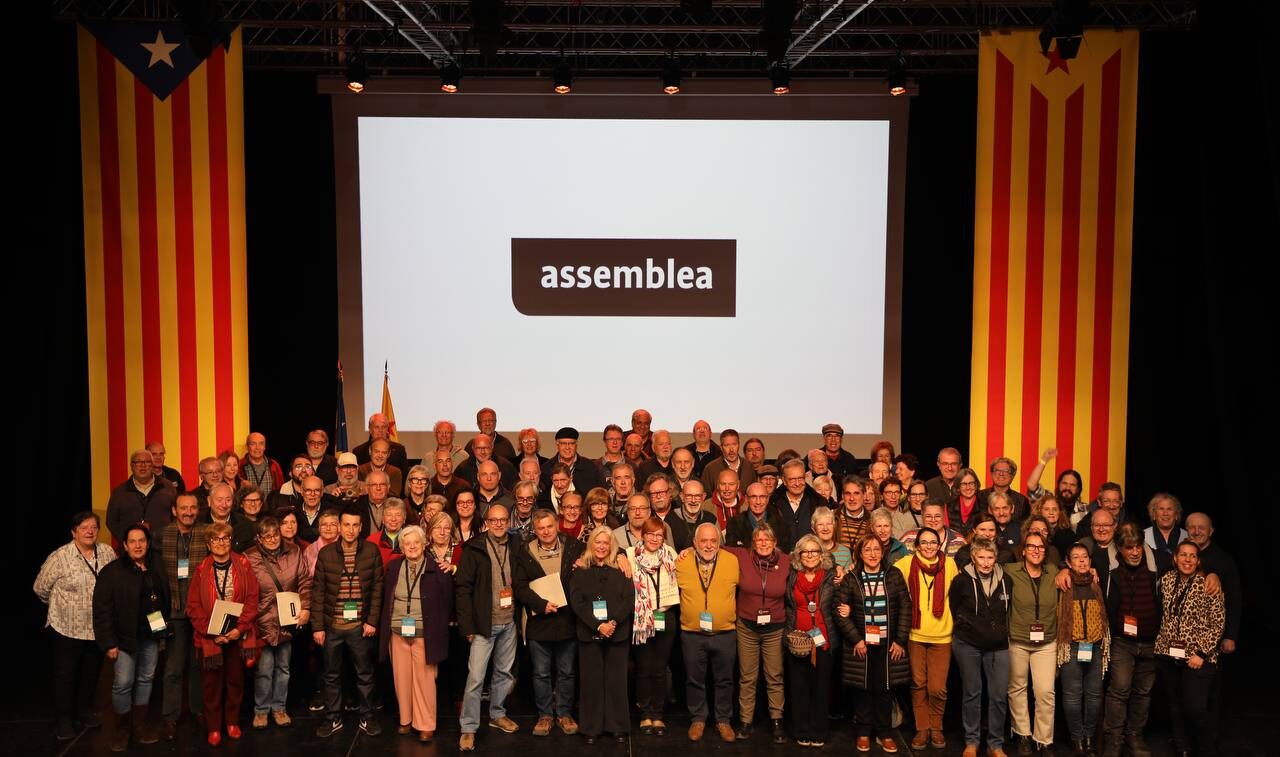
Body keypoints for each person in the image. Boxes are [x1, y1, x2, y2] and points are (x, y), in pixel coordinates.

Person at [35, 512, 117, 740]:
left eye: (93, 527)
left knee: (91, 674)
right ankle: (64, 720)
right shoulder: (60, 556)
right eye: (83, 527)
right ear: (74, 532)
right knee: (66, 675)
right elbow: (40, 588)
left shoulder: (107, 553)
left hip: (96, 628)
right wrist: (63, 607)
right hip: (66, 628)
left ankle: (83, 712)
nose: (89, 531)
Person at [311, 505, 385, 739]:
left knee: (365, 674)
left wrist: (372, 621)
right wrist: (318, 627)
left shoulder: (371, 551)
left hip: (360, 626)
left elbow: (378, 589)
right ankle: (333, 718)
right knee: (331, 675)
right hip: (332, 625)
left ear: (361, 527)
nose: (350, 530)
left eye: (355, 525)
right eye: (346, 525)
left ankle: (367, 716)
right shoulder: (326, 554)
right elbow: (318, 592)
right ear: (339, 527)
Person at [93, 523, 168, 751]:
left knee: (146, 679)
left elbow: (161, 601)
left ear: (148, 543)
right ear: (124, 545)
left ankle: (139, 726)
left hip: (150, 637)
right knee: (123, 683)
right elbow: (102, 611)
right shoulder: (112, 572)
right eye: (132, 541)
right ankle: (123, 730)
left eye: (141, 540)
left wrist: (162, 632)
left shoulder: (155, 568)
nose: (137, 545)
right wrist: (109, 643)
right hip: (123, 640)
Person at [186, 521, 262, 747]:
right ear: (208, 544)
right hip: (211, 638)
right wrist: (211, 632)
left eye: (225, 538)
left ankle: (232, 722)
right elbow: (193, 607)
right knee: (211, 685)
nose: (221, 543)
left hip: (238, 636)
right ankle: (213, 727)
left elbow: (252, 599)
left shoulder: (243, 565)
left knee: (235, 682)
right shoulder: (201, 570)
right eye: (216, 539)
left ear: (231, 541)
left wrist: (239, 629)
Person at [512, 509, 586, 737]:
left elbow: (602, 551)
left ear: (557, 525)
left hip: (568, 620)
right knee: (541, 673)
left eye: (549, 526)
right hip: (538, 621)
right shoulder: (524, 551)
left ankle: (564, 714)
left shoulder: (574, 547)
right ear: (534, 530)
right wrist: (541, 604)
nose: (546, 531)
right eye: (541, 528)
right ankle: (545, 715)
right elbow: (520, 586)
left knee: (567, 672)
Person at [834, 534, 911, 754]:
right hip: (861, 644)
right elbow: (839, 611)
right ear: (859, 553)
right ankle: (863, 732)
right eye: (867, 550)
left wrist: (900, 640)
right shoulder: (851, 578)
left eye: (876, 549)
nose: (872, 554)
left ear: (883, 552)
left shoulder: (894, 575)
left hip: (888, 645)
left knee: (884, 689)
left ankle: (884, 733)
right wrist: (856, 639)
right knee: (863, 689)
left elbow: (906, 608)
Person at [379, 524, 454, 743]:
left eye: (416, 543)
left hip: (425, 633)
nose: (412, 547)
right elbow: (386, 597)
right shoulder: (393, 567)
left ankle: (426, 724)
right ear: (402, 547)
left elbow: (446, 604)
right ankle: (406, 719)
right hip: (397, 630)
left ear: (424, 545)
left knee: (425, 680)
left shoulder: (438, 570)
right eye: (407, 543)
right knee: (401, 678)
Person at [455, 504, 521, 750]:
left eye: (503, 520)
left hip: (509, 622)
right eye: (494, 520)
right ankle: (468, 727)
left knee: (504, 673)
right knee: (475, 678)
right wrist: (467, 627)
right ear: (486, 523)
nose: (499, 524)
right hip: (483, 625)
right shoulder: (474, 549)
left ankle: (497, 713)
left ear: (508, 522)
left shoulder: (516, 545)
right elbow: (462, 589)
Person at [1155, 540, 1225, 757]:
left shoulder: (1208, 584)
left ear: (1198, 560)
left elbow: (1218, 623)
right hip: (1168, 654)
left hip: (1198, 657)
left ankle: (1206, 750)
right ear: (1175, 558)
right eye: (1183, 555)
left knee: (1195, 708)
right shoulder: (1166, 580)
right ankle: (1182, 747)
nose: (1188, 559)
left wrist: (1201, 653)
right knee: (1175, 705)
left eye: (1193, 556)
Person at [675, 523, 741, 743]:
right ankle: (698, 718)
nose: (709, 545)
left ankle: (723, 720)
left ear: (719, 542)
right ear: (694, 542)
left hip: (725, 633)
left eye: (713, 540)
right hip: (692, 633)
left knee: (725, 680)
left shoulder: (732, 561)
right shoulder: (681, 562)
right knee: (694, 679)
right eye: (703, 540)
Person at [245, 516, 313, 730]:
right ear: (259, 538)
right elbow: (245, 590)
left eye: (275, 534)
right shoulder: (249, 557)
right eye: (267, 536)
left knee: (284, 668)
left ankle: (279, 708)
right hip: (262, 620)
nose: (272, 539)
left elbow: (304, 581)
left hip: (287, 619)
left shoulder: (294, 551)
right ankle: (261, 710)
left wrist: (306, 607)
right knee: (264, 669)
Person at [723, 524, 788, 744]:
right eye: (759, 539)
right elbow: (712, 546)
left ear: (775, 542)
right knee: (747, 677)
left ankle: (777, 720)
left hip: (775, 628)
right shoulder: (742, 556)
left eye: (767, 539)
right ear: (753, 543)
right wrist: (688, 550)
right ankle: (745, 721)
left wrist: (838, 568)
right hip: (747, 627)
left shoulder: (786, 561)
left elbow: (814, 558)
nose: (763, 543)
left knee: (774, 676)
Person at [895, 526, 959, 750]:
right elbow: (884, 575)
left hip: (943, 635)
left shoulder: (950, 564)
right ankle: (922, 728)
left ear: (939, 545)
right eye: (924, 542)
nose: (929, 546)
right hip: (915, 634)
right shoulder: (905, 564)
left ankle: (936, 727)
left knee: (937, 687)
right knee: (918, 684)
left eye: (933, 542)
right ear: (917, 545)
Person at [569, 528, 635, 743]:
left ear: (612, 546)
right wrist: (598, 625)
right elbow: (577, 602)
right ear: (591, 544)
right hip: (589, 633)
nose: (601, 546)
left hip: (618, 632)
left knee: (616, 681)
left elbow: (628, 599)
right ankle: (591, 728)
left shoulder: (622, 569)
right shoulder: (580, 570)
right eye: (597, 542)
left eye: (606, 543)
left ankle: (617, 726)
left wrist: (613, 622)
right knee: (591, 682)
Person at [1101, 524, 1161, 757]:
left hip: (1151, 641)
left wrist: (1211, 573)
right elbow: (1075, 557)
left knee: (1143, 692)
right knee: (1119, 690)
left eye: (1138, 547)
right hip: (1122, 641)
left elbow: (1190, 562)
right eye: (1129, 548)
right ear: (1119, 548)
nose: (1135, 552)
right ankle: (1113, 740)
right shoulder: (1108, 565)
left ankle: (1134, 736)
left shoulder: (1158, 562)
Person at [949, 536, 1012, 757]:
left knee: (998, 695)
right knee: (972, 693)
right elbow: (954, 608)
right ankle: (972, 741)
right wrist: (968, 627)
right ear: (973, 557)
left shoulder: (1006, 580)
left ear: (996, 558)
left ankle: (995, 744)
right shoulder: (961, 580)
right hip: (968, 644)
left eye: (990, 557)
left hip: (998, 646)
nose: (986, 562)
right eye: (981, 557)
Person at [158, 495, 208, 738]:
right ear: (174, 511)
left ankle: (199, 710)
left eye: (192, 507)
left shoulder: (207, 533)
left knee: (198, 665)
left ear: (198, 510)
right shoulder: (161, 536)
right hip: (174, 611)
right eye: (183, 508)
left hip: (200, 611)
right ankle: (170, 716)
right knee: (173, 668)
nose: (188, 512)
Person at [783, 534, 840, 747]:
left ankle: (819, 731)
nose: (809, 555)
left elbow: (840, 599)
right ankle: (801, 731)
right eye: (805, 551)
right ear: (798, 555)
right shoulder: (791, 576)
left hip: (823, 640)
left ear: (821, 554)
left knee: (821, 687)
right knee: (799, 687)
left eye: (814, 551)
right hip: (797, 639)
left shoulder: (831, 576)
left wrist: (847, 608)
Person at [1005, 530, 1059, 754]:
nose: (1036, 550)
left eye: (1040, 547)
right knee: (1017, 688)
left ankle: (1043, 739)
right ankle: (1023, 734)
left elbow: (1073, 570)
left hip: (1046, 641)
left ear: (1045, 551)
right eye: (1031, 546)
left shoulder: (1054, 571)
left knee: (1045, 692)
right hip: (1017, 639)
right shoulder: (1010, 571)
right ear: (1023, 550)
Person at [628, 515, 680, 737]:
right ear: (642, 535)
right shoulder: (630, 555)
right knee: (644, 669)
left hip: (666, 617)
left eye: (659, 535)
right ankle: (645, 714)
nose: (654, 538)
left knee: (660, 669)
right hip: (642, 618)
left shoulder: (671, 555)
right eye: (650, 534)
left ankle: (658, 714)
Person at [1057, 543, 1110, 756]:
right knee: (1072, 697)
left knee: (1095, 696)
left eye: (1085, 557)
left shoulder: (1097, 582)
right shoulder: (1063, 583)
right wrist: (1062, 571)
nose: (1081, 560)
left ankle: (1089, 737)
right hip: (1071, 647)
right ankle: (1077, 739)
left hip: (1095, 646)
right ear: (1068, 562)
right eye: (1076, 557)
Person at [106, 449, 178, 542]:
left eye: (147, 462)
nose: (143, 465)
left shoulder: (168, 487)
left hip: (162, 546)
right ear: (132, 466)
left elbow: (176, 517)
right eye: (138, 462)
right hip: (130, 549)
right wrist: (127, 541)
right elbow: (111, 521)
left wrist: (168, 538)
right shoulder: (119, 492)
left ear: (152, 465)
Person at [1143, 493, 1188, 558]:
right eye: (1161, 509)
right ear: (1154, 514)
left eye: (1169, 509)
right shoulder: (1143, 536)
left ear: (1176, 514)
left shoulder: (1187, 536)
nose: (1165, 513)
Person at [812, 506, 852, 577]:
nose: (825, 528)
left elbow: (849, 579)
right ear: (814, 528)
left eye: (829, 524)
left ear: (834, 526)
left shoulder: (845, 551)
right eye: (820, 524)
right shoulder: (809, 551)